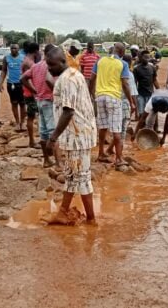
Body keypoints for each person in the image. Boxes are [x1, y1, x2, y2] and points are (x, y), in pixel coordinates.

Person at [44, 47, 98, 224]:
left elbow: (68, 111)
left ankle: (91, 220)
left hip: (77, 136)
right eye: (47, 64)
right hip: (78, 133)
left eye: (51, 65)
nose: (49, 68)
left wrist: (52, 138)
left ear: (62, 62)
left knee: (81, 178)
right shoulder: (75, 74)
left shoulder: (67, 80)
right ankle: (63, 211)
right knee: (71, 176)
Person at [89, 42, 135, 169]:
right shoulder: (123, 64)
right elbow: (125, 84)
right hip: (114, 98)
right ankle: (119, 159)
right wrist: (131, 102)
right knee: (116, 129)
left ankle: (101, 154)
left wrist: (91, 94)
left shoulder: (100, 61)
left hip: (100, 97)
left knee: (103, 127)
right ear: (121, 52)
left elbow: (92, 79)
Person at [22, 44, 61, 168]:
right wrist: (57, 93)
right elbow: (50, 81)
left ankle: (46, 160)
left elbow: (23, 78)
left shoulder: (35, 66)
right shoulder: (51, 67)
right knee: (53, 133)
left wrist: (34, 91)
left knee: (43, 132)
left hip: (39, 101)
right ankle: (58, 164)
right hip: (49, 101)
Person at [107, 54, 138, 156]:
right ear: (130, 63)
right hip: (124, 103)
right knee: (123, 129)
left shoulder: (112, 71)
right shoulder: (129, 74)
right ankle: (119, 156)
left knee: (117, 129)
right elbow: (132, 91)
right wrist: (133, 104)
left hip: (112, 101)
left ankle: (110, 149)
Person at [0, 44, 26, 132]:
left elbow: (27, 71)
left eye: (15, 48)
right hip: (11, 84)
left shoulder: (23, 58)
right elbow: (4, 70)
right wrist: (1, 83)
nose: (13, 50)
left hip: (21, 84)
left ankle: (23, 123)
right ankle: (17, 122)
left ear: (19, 49)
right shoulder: (6, 58)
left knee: (22, 103)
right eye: (12, 48)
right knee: (14, 103)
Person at [20, 41, 40, 148]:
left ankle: (32, 140)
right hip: (30, 93)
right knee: (31, 117)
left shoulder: (28, 61)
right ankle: (32, 141)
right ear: (36, 51)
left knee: (32, 116)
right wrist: (34, 91)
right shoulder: (28, 63)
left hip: (29, 92)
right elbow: (26, 80)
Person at [133, 50, 159, 118]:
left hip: (150, 94)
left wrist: (159, 91)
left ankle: (148, 128)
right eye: (145, 57)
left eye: (148, 57)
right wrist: (134, 96)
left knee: (150, 113)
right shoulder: (136, 69)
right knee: (141, 114)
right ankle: (141, 128)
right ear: (141, 57)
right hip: (140, 95)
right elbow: (135, 83)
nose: (147, 59)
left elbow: (154, 80)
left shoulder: (152, 68)